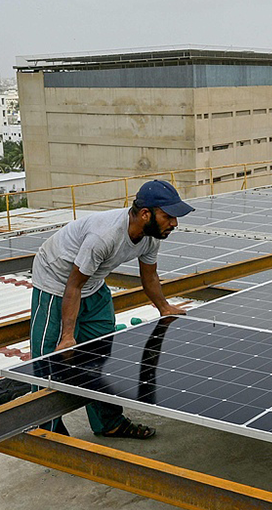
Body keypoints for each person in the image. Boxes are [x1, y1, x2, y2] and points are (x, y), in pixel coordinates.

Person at [29, 180, 194, 439]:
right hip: (56, 281)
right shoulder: (103, 236)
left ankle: (109, 422)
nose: (174, 223)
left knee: (99, 354)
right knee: (49, 358)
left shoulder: (150, 236)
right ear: (145, 214)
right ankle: (48, 433)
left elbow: (149, 277)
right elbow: (73, 285)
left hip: (93, 282)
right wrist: (68, 335)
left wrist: (164, 307)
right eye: (168, 217)